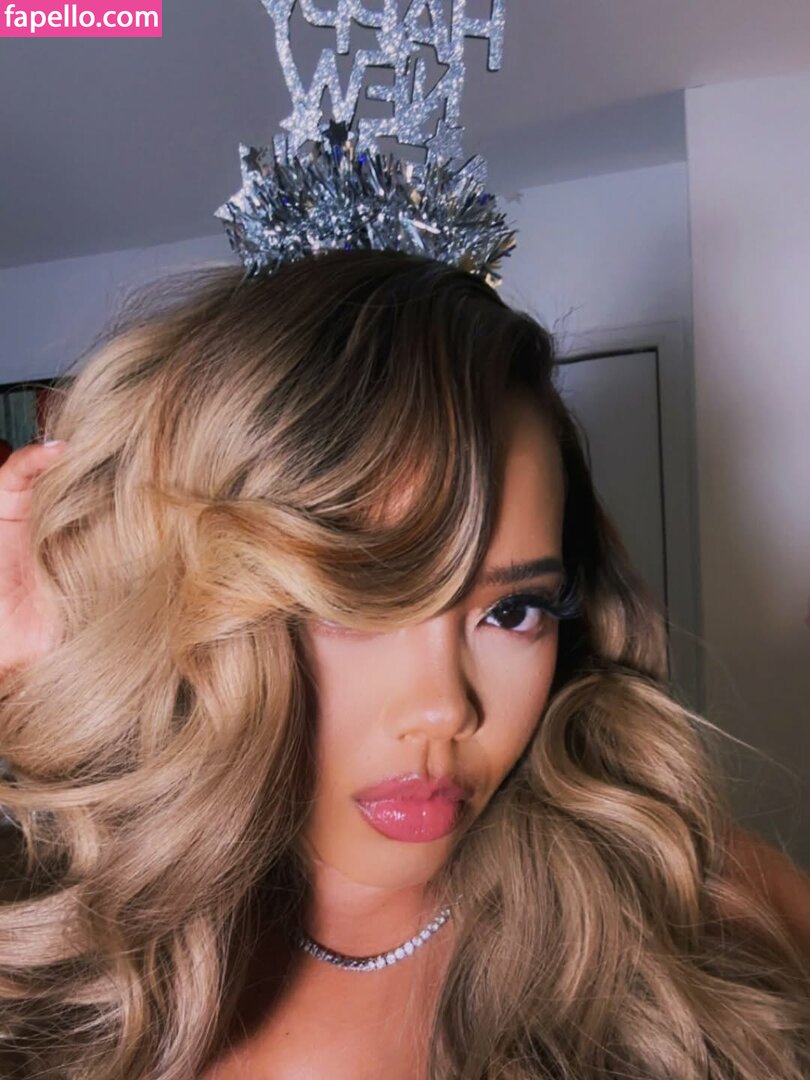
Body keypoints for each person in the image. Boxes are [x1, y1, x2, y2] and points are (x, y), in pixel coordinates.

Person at [0, 250, 808, 1079]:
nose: (443, 708)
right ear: (192, 599)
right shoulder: (62, 943)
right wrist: (37, 701)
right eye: (355, 604)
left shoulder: (705, 910)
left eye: (511, 612)